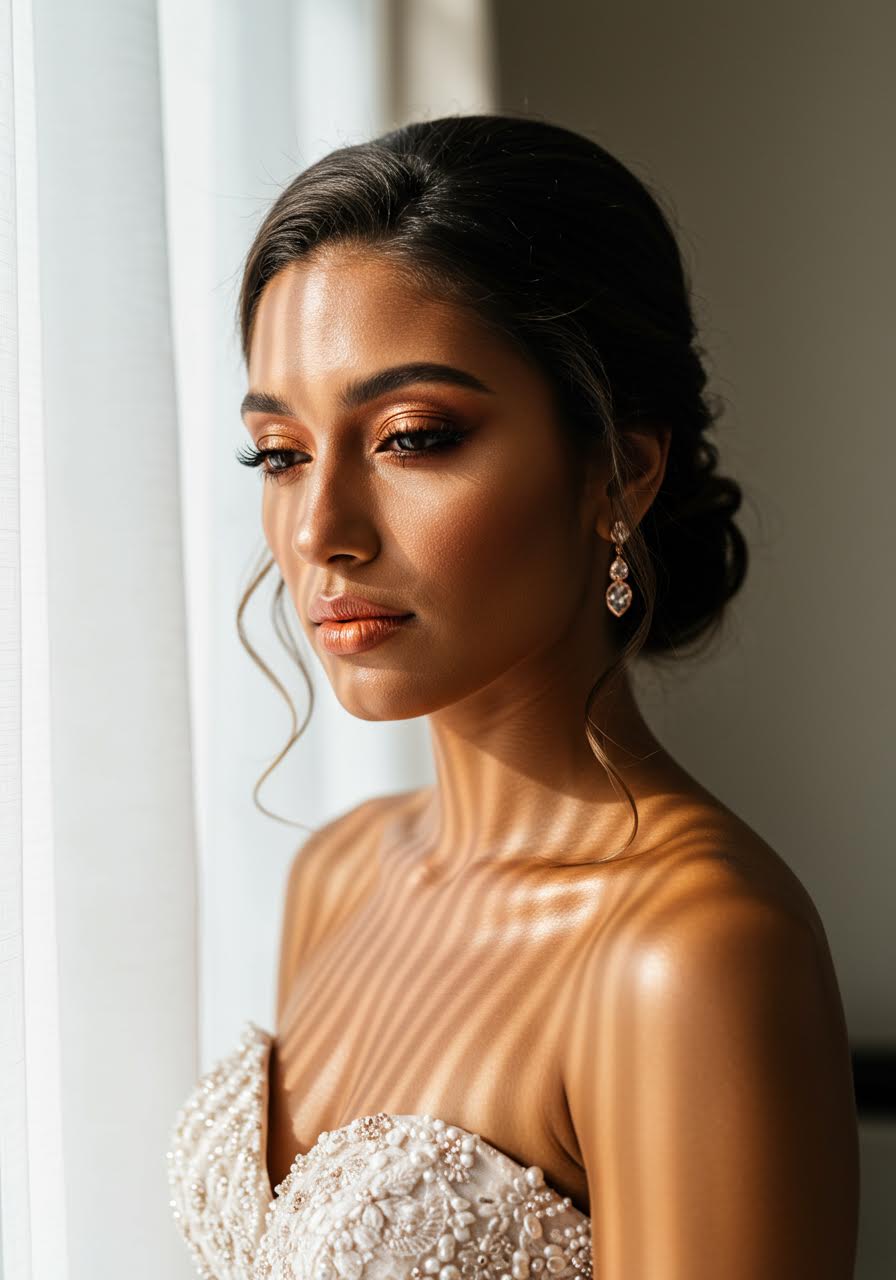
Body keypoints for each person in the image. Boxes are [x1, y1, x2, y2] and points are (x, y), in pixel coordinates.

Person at [167, 114, 859, 1279]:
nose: (320, 530)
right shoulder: (335, 878)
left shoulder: (689, 950)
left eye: (411, 436)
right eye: (280, 453)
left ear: (615, 466)